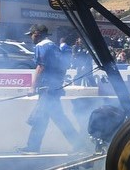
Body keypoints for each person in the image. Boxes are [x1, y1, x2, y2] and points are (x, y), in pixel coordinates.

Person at [17, 24, 84, 154]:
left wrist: (32, 87)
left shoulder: (41, 46)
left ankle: (33, 147)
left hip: (47, 89)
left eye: (31, 35)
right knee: (54, 118)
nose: (30, 38)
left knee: (41, 117)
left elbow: (40, 67)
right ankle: (79, 144)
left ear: (36, 34)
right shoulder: (53, 46)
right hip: (54, 88)